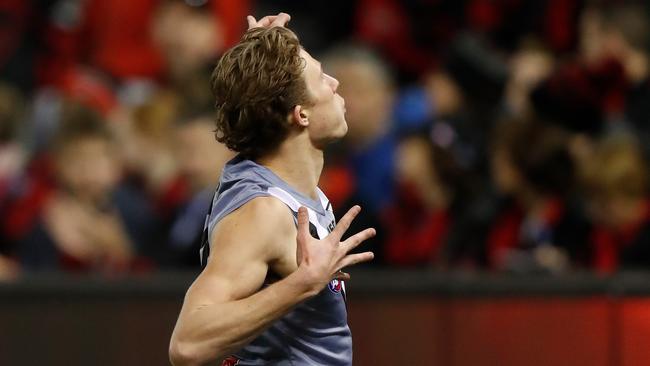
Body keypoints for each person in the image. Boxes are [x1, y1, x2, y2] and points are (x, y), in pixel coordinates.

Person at [169, 13, 375, 366]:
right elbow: (188, 343)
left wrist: (258, 58)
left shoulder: (289, 187)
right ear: (301, 114)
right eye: (320, 78)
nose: (335, 83)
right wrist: (301, 284)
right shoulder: (263, 211)